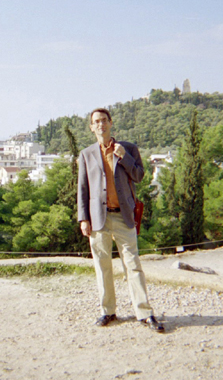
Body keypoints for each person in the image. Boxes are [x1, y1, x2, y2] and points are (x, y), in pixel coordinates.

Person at [77, 107, 164, 332]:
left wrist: (124, 158)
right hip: (98, 220)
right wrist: (83, 218)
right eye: (96, 121)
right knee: (102, 266)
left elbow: (139, 176)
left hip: (124, 216)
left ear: (111, 123)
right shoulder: (86, 154)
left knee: (133, 265)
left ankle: (144, 313)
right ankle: (108, 311)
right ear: (91, 127)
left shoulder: (129, 149)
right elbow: (83, 189)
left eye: (104, 120)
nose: (100, 124)